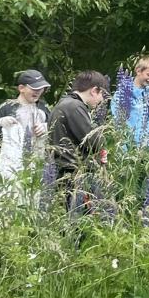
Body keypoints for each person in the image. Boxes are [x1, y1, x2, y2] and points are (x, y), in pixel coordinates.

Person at [47, 71, 111, 209]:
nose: (101, 101)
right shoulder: (75, 106)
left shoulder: (64, 103)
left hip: (60, 171)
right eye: (102, 95)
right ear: (94, 91)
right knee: (80, 217)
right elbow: (93, 141)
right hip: (72, 173)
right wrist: (102, 143)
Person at [0, 69, 52, 177]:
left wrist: (47, 127)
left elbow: (57, 133)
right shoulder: (7, 107)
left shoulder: (43, 107)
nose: (38, 91)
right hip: (10, 166)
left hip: (38, 164)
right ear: (21, 88)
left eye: (41, 88)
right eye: (34, 88)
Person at [111, 57, 149, 148]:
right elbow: (118, 121)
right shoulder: (122, 92)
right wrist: (124, 148)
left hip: (148, 144)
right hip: (129, 144)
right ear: (138, 71)